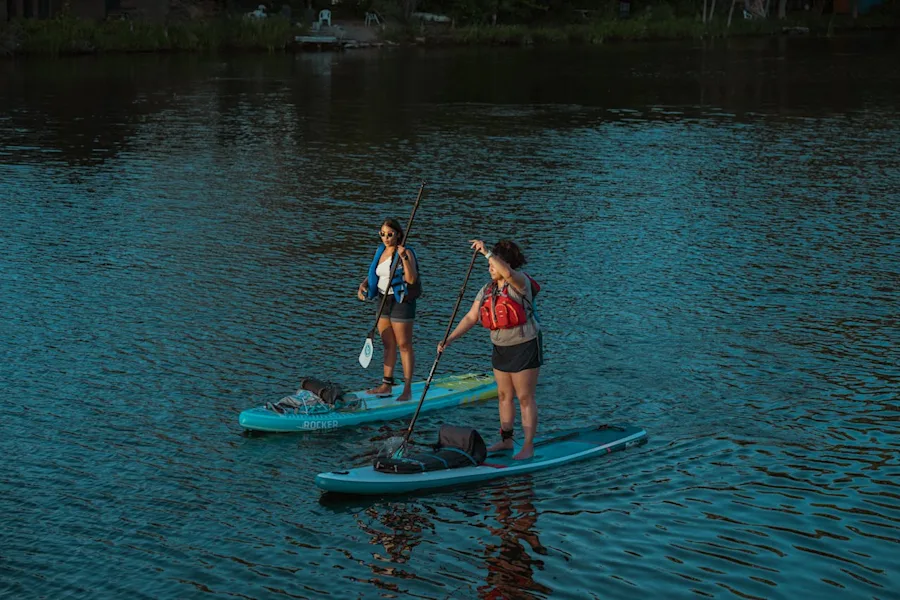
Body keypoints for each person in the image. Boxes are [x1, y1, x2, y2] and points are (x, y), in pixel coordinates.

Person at [438, 239, 542, 460]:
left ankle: (528, 446)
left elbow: (507, 272)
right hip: (500, 347)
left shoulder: (520, 283)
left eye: (494, 264)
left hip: (524, 346)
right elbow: (471, 317)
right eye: (489, 265)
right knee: (504, 395)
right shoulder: (487, 289)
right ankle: (506, 440)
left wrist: (486, 252)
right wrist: (450, 339)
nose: (490, 268)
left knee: (524, 397)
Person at [357, 218, 420, 401]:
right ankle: (386, 385)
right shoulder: (380, 251)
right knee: (387, 344)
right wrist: (363, 285)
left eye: (390, 234)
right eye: (382, 234)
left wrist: (404, 258)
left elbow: (411, 279)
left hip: (401, 300)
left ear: (398, 234)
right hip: (383, 300)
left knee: (404, 345)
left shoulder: (406, 252)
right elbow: (376, 274)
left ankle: (407, 389)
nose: (386, 237)